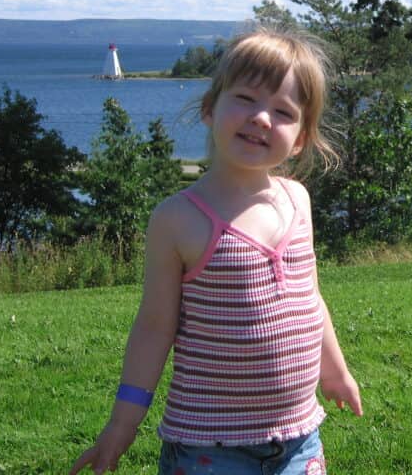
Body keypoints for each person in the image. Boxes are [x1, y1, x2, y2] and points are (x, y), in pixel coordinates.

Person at [70, 29, 362, 475]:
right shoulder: (178, 219)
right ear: (210, 108)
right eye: (246, 98)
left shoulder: (297, 201)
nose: (262, 118)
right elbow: (153, 328)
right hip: (209, 447)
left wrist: (335, 371)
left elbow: (311, 302)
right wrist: (123, 422)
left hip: (299, 440)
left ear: (301, 138)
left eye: (283, 111)